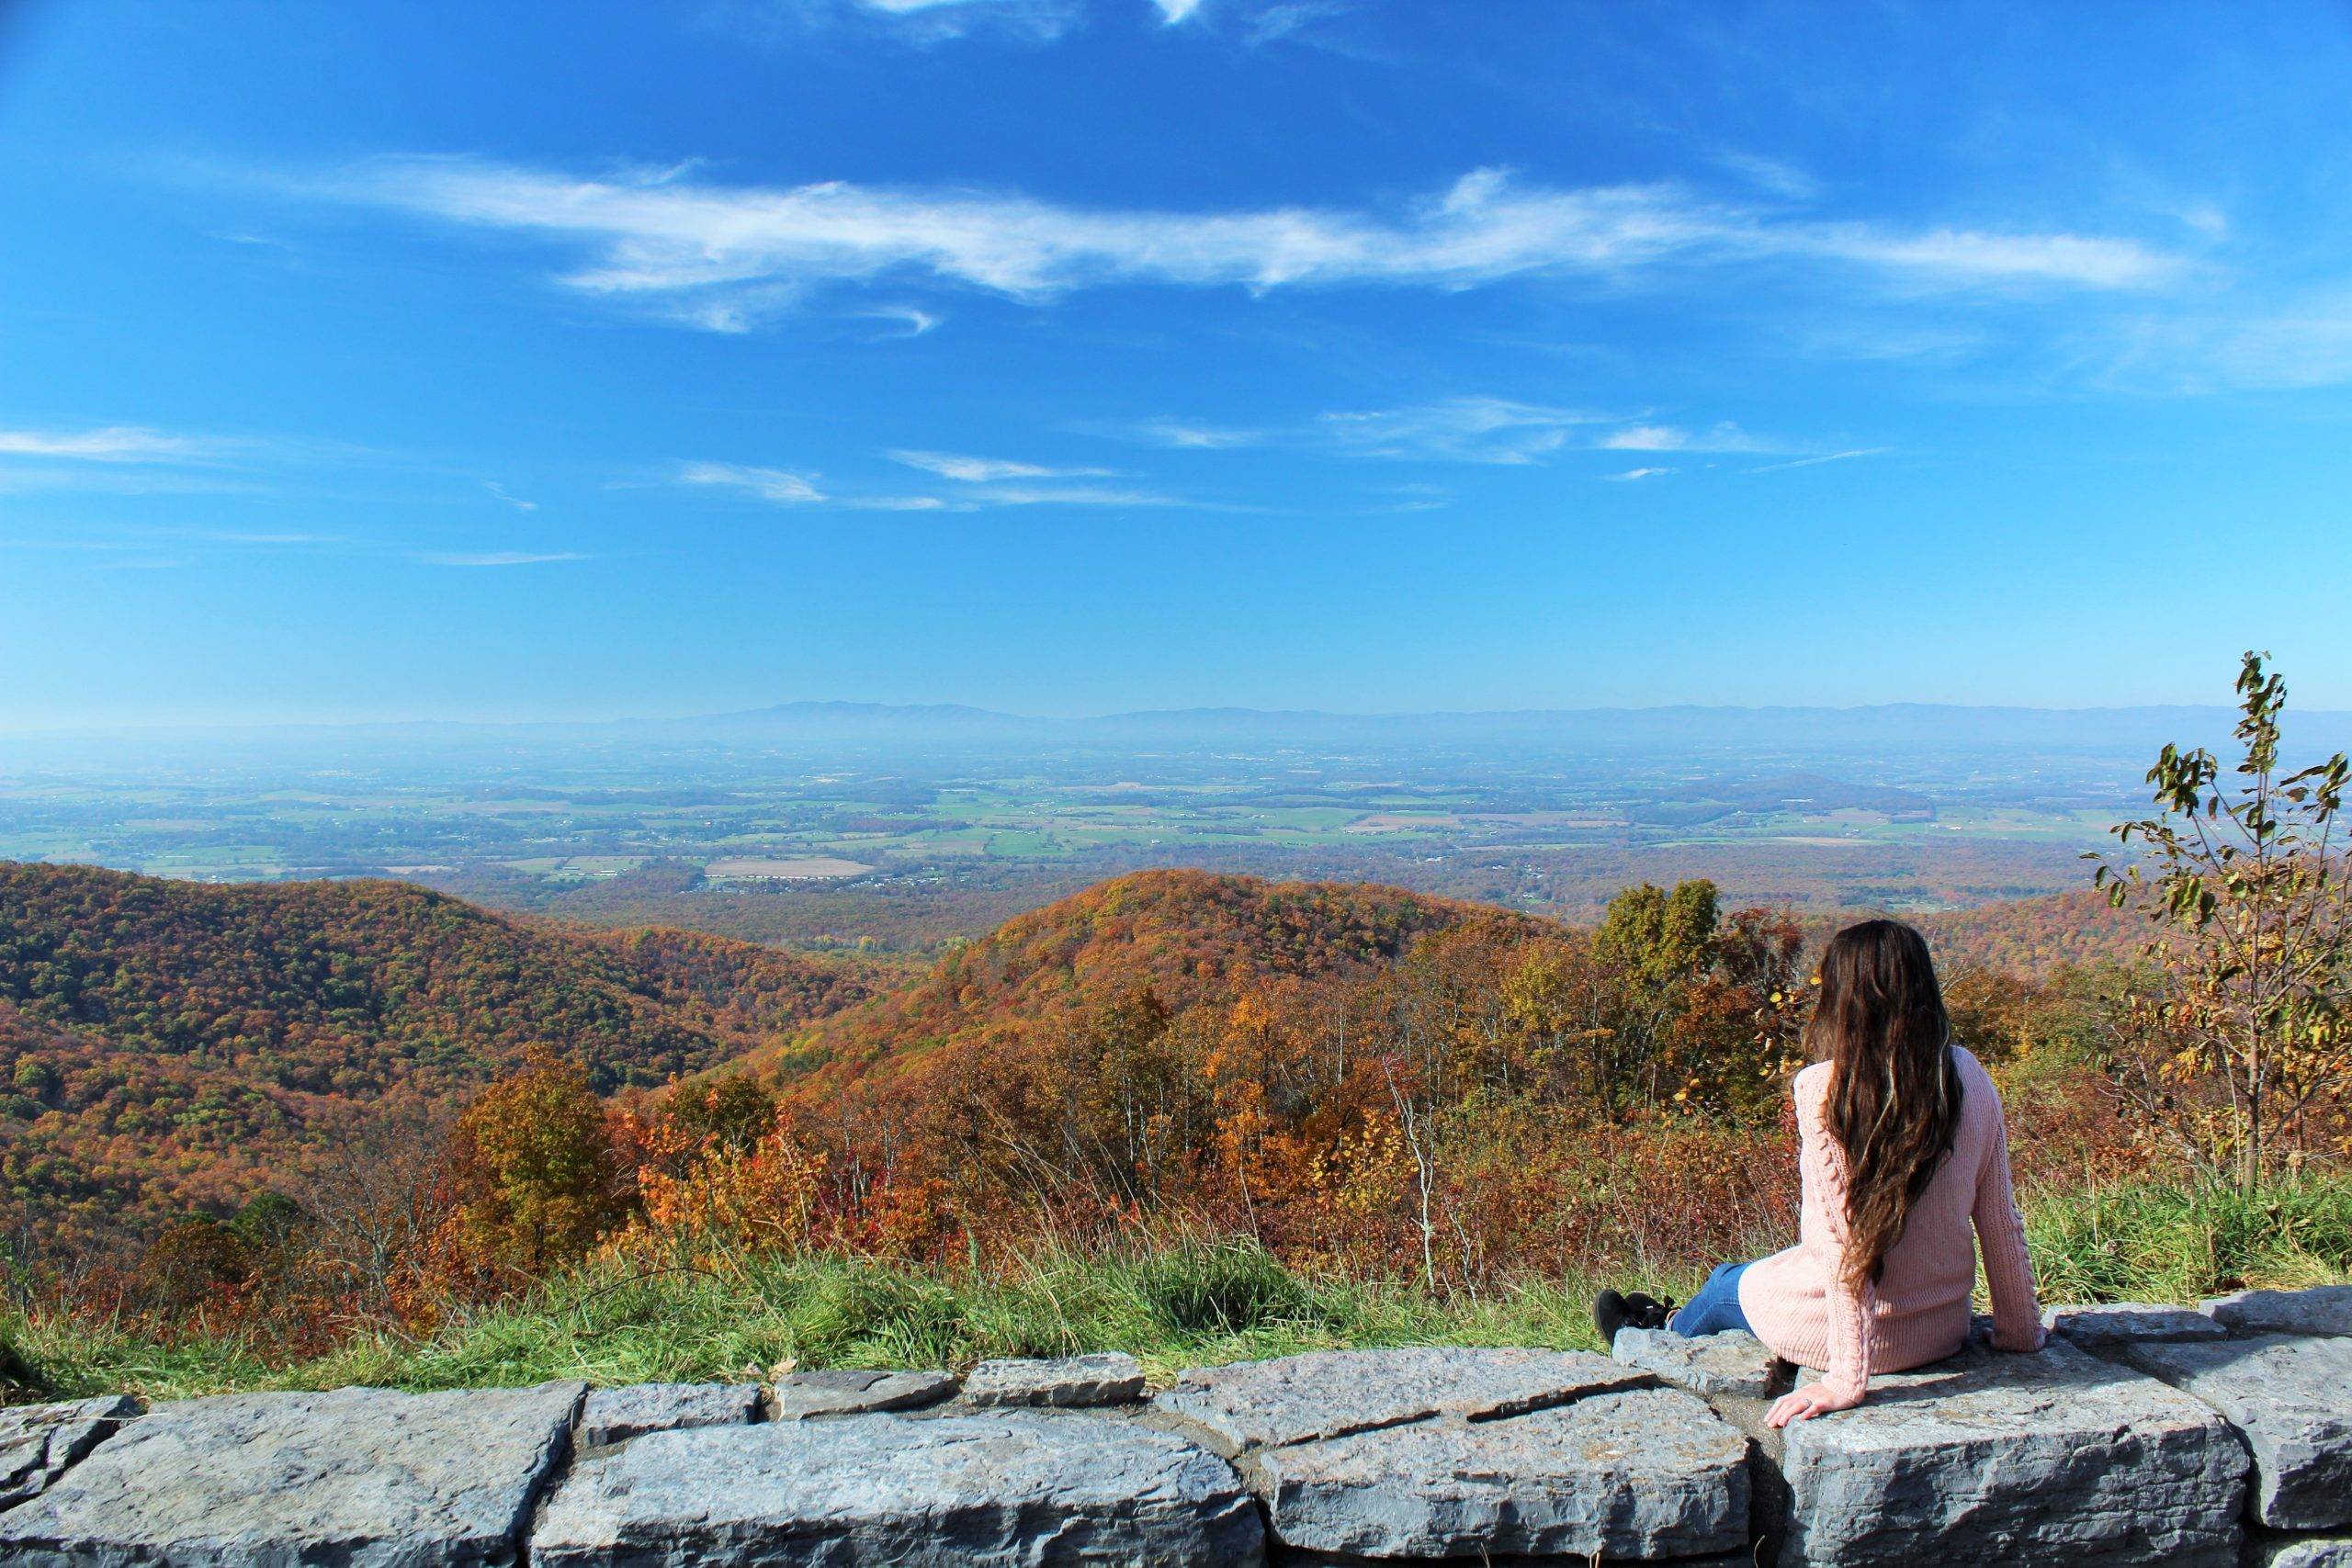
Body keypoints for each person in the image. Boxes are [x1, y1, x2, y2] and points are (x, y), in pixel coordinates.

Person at [1592, 919, 2045, 1427]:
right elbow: (1999, 1221)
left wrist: (1846, 1380)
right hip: (1943, 1328)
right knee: (1759, 1272)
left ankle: (1654, 1335)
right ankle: (1667, 1320)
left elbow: (1843, 1249)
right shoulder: (1968, 1078)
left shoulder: (1826, 1090)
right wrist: (2021, 1332)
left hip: (1861, 1340)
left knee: (1724, 1285)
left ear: (1843, 998)